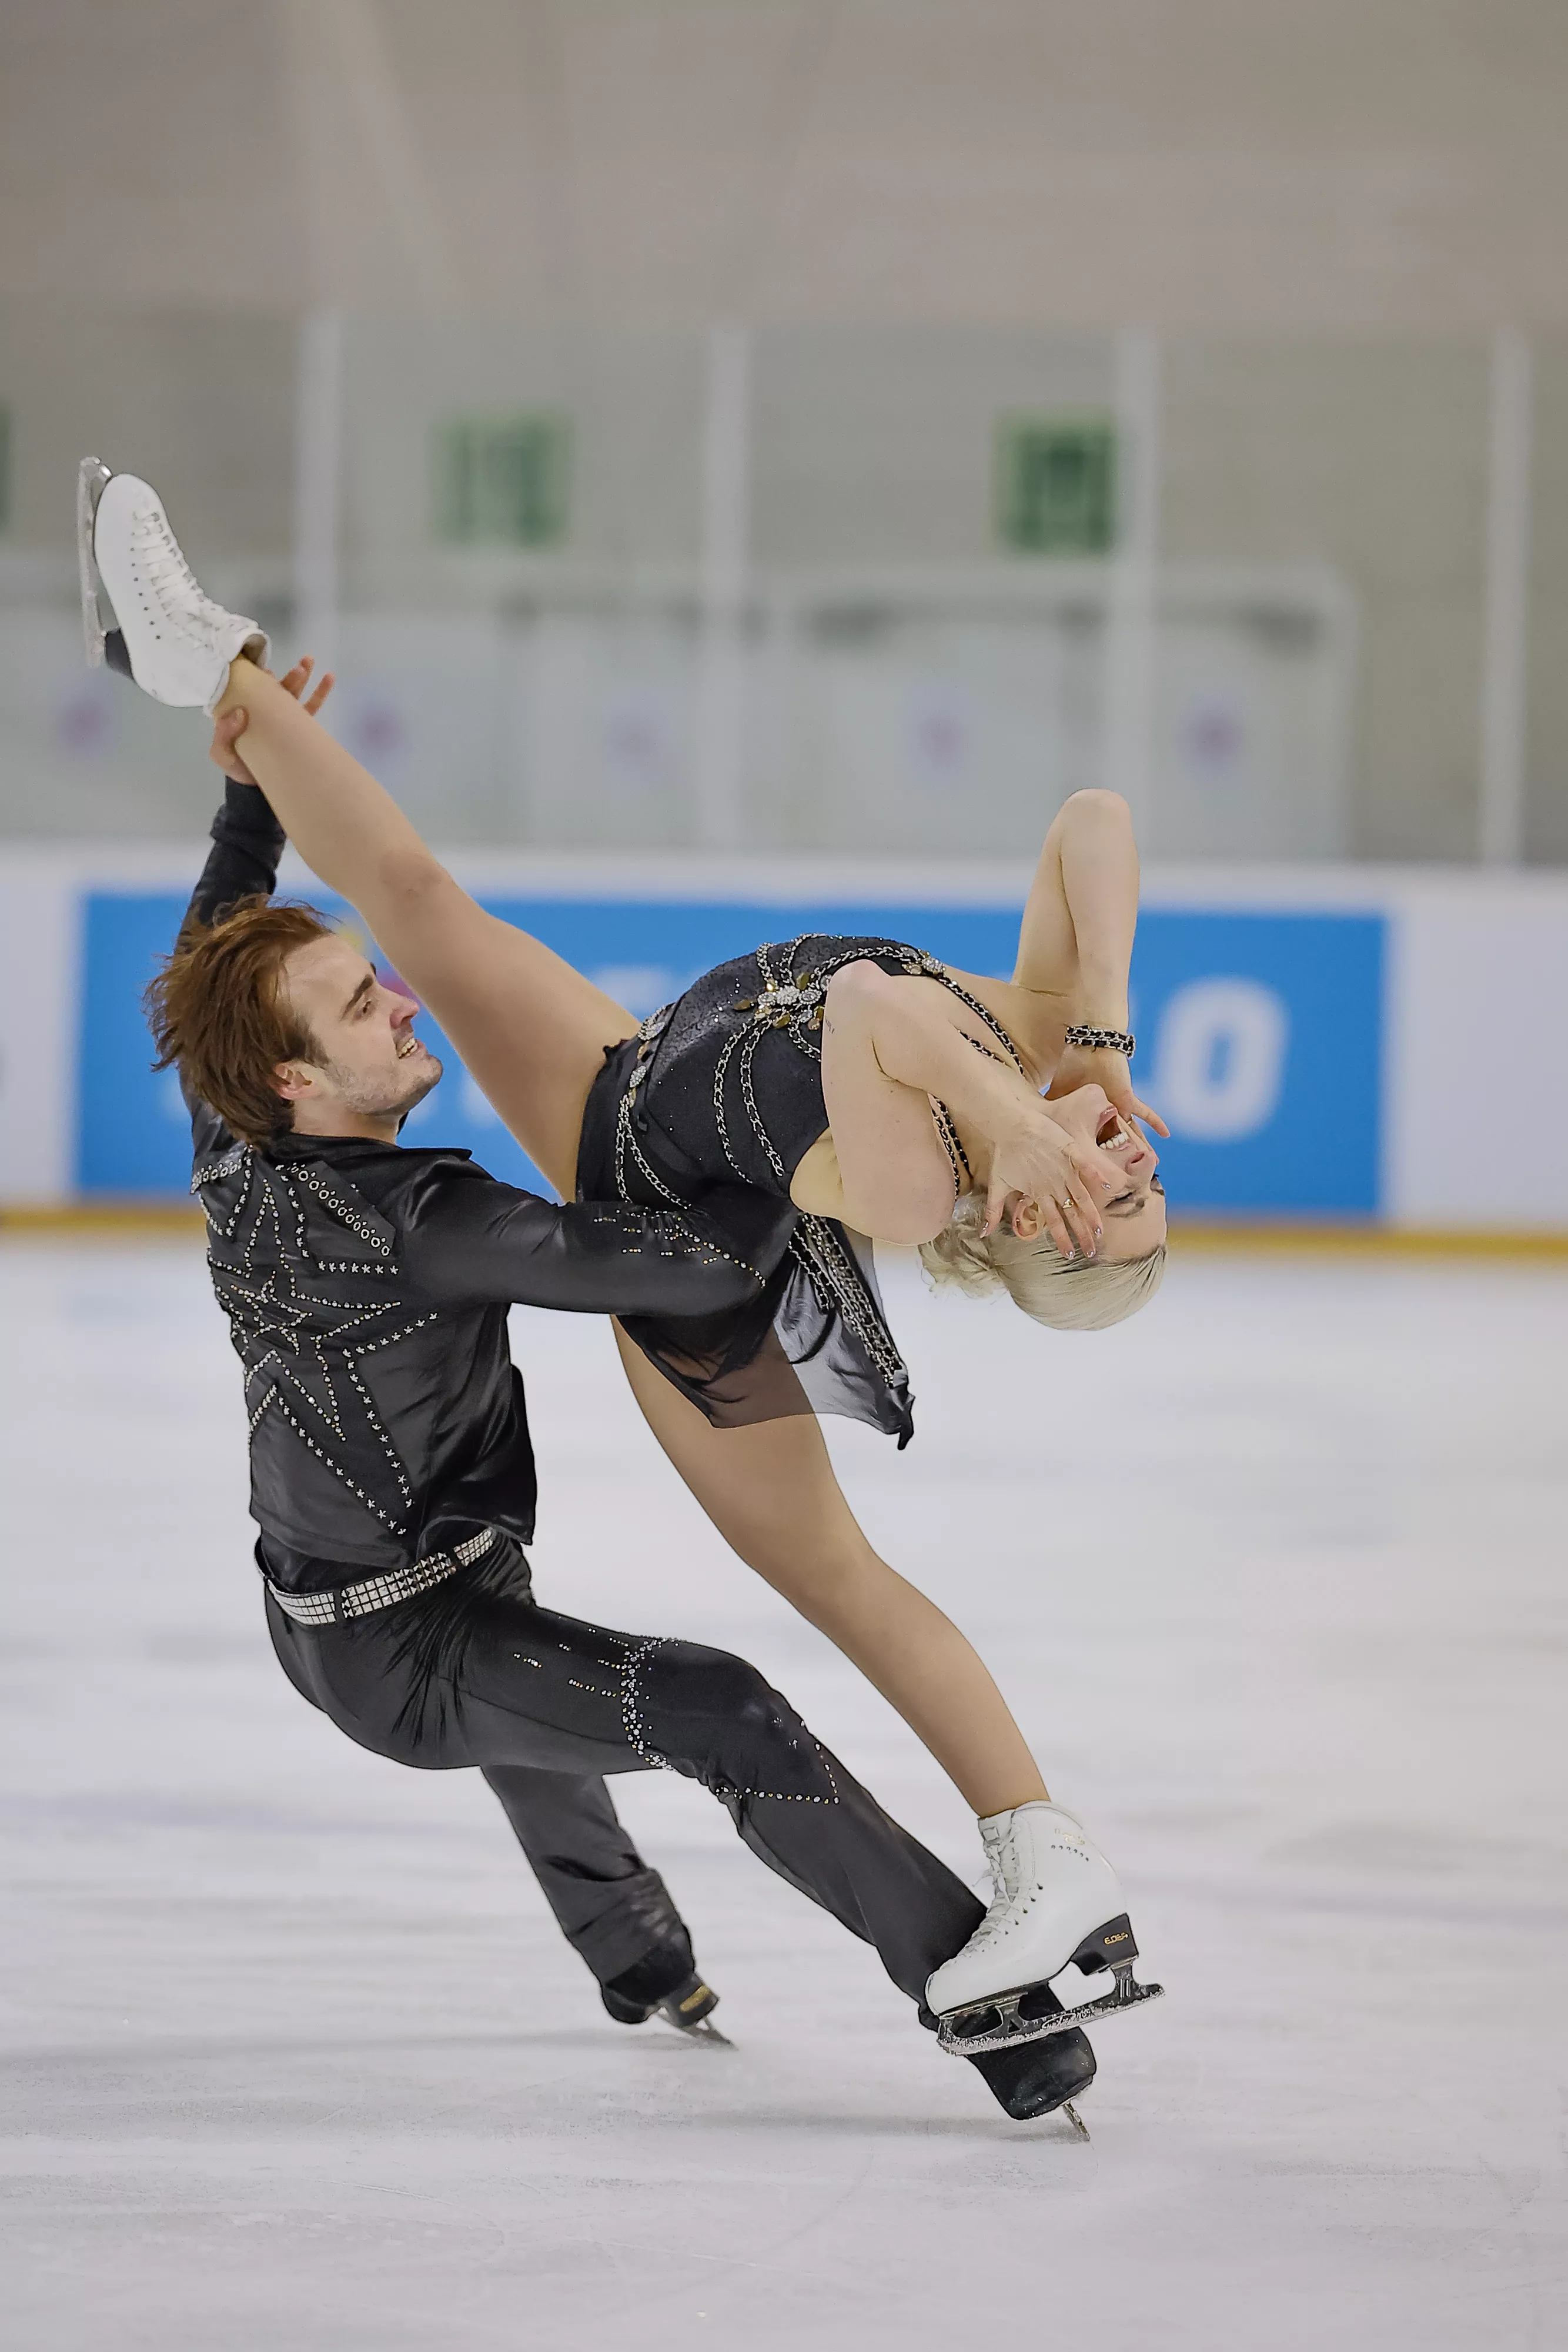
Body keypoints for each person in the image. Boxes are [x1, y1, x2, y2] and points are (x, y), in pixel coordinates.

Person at [81, 459, 1164, 2063]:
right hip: (633, 1067)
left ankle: (1034, 1863)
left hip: (652, 1191)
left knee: (830, 1583)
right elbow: (1096, 823)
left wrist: (1009, 1128)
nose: (1141, 1162)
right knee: (416, 895)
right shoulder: (1037, 1056)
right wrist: (1095, 1045)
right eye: (1153, 1178)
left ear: (1033, 1229)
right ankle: (200, 666)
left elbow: (871, 1016)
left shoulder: (931, 1178)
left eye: (1120, 1206)